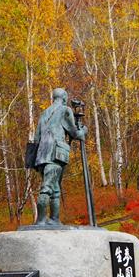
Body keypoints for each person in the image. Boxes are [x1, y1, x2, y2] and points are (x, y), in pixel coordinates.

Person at [27, 88, 87, 225]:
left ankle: (54, 219)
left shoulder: (44, 113)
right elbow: (74, 133)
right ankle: (41, 221)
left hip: (41, 156)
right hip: (55, 155)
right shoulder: (65, 110)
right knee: (48, 187)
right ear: (64, 97)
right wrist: (83, 130)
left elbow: (36, 138)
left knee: (55, 188)